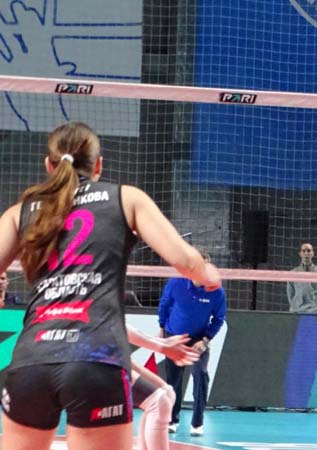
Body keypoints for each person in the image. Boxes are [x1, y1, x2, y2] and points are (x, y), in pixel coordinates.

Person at [0, 121, 220, 450]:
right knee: (159, 398)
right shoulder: (126, 198)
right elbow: (187, 262)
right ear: (98, 165)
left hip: (32, 359)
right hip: (95, 360)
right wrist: (208, 275)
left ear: (49, 165)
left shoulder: (21, 212)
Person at [157, 250, 227, 437]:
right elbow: (164, 304)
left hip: (199, 339)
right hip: (175, 337)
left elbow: (219, 319)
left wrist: (205, 340)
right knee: (173, 380)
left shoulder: (216, 291)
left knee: (201, 374)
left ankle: (197, 423)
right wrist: (162, 327)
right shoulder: (176, 282)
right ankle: (172, 420)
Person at [126, 325, 199, 450]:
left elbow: (120, 327)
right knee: (159, 402)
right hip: (96, 363)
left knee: (167, 392)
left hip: (113, 359)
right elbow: (118, 327)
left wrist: (162, 343)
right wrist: (162, 346)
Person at [287, 242, 317, 313]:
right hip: (296, 311)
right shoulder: (293, 273)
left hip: (314, 311)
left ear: (313, 253)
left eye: (309, 251)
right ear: (300, 254)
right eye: (304, 251)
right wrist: (295, 305)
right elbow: (290, 294)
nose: (306, 253)